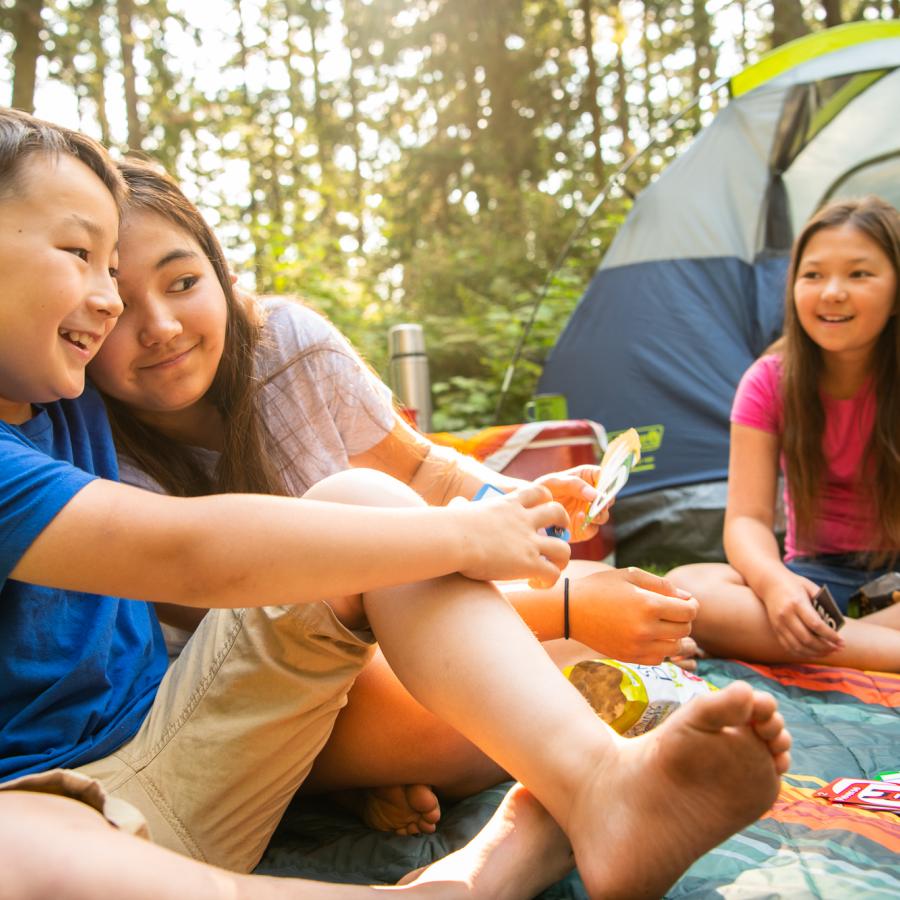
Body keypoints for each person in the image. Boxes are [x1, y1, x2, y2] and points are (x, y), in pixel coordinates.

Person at [0, 107, 791, 900]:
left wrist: (502, 505)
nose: (119, 309)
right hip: (49, 807)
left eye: (130, 271)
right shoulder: (76, 409)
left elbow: (418, 472)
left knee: (363, 501)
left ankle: (595, 789)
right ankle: (476, 873)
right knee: (21, 849)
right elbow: (192, 552)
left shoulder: (67, 388)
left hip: (187, 741)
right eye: (84, 257)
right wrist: (522, 574)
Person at [86, 156, 702, 830]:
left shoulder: (290, 348)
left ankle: (655, 643)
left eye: (182, 282)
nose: (161, 327)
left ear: (223, 277)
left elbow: (427, 475)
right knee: (481, 709)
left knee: (567, 643)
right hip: (261, 692)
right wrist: (560, 609)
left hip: (405, 628)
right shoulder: (88, 452)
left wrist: (521, 498)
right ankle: (361, 779)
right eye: (118, 307)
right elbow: (272, 624)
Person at [667, 196, 900, 673]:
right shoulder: (769, 381)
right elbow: (747, 519)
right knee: (688, 589)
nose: (832, 292)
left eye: (859, 274)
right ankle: (866, 646)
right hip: (814, 580)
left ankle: (819, 642)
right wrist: (775, 583)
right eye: (813, 275)